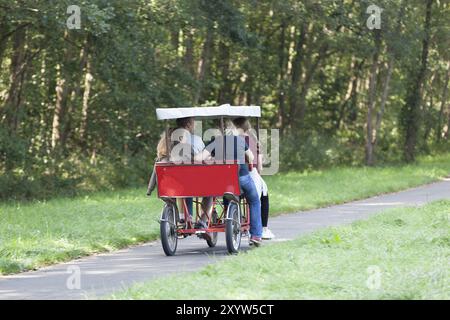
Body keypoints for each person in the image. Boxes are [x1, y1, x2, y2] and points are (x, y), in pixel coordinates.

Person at [195, 120, 263, 246]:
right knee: (254, 200)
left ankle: (217, 218)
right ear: (233, 130)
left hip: (222, 183)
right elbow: (252, 158)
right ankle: (256, 235)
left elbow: (199, 158)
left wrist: (212, 159)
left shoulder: (216, 141)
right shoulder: (240, 141)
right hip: (242, 178)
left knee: (220, 191)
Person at [233, 117, 275, 240]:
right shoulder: (253, 140)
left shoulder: (230, 141)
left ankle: (239, 217)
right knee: (261, 196)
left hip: (231, 176)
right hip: (249, 173)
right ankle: (262, 229)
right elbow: (259, 166)